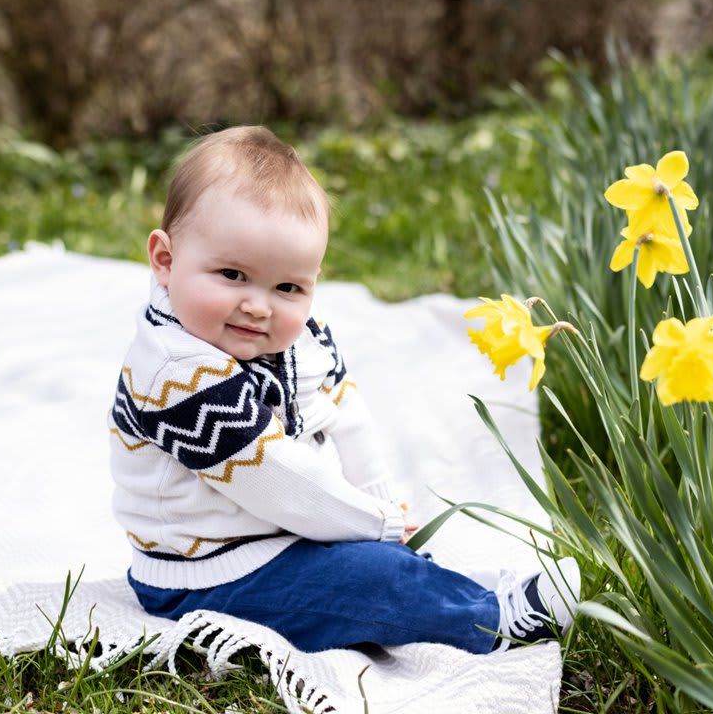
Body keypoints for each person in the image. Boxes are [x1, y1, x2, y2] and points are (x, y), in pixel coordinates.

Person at [108, 125, 579, 655]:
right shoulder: (174, 373)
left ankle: (460, 585)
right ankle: (493, 620)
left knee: (379, 560)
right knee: (366, 584)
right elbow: (275, 477)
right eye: (232, 274)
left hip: (281, 534)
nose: (260, 305)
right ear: (165, 261)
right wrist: (373, 523)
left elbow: (344, 415)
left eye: (288, 287)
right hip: (206, 572)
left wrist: (379, 503)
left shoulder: (296, 341)